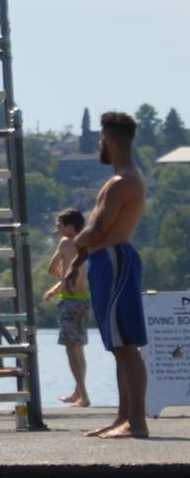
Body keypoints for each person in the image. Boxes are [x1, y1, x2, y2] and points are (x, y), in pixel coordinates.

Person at [72, 110, 150, 439]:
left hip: (115, 261)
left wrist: (72, 243)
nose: (98, 143)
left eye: (101, 138)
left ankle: (137, 421)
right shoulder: (119, 178)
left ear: (111, 140)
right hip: (106, 261)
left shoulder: (123, 182)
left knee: (126, 344)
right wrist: (79, 258)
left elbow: (98, 228)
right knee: (118, 345)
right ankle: (123, 417)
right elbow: (97, 233)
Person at [42, 207, 93, 409]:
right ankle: (78, 392)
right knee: (79, 347)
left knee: (71, 350)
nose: (56, 228)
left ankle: (84, 395)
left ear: (70, 227)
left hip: (69, 301)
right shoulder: (88, 243)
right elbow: (77, 272)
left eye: (59, 225)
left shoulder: (65, 243)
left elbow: (51, 268)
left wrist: (60, 280)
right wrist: (58, 286)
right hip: (84, 300)